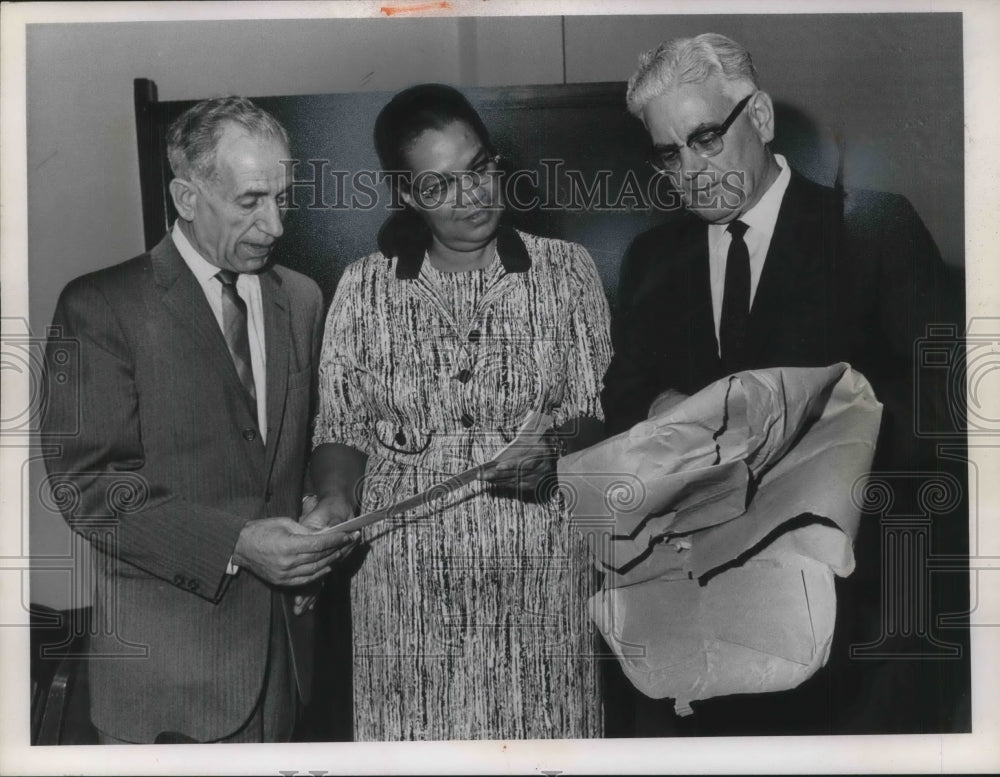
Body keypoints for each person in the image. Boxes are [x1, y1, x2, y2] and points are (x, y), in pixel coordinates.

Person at [601, 34, 965, 735]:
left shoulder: (871, 227)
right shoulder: (651, 259)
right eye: (669, 153)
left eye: (706, 137)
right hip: (706, 626)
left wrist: (808, 437)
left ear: (760, 117)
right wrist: (663, 410)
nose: (691, 170)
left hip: (857, 630)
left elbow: (948, 414)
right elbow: (624, 396)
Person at [41, 96, 357, 744]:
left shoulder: (300, 298)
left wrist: (319, 516)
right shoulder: (100, 306)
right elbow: (89, 486)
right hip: (169, 688)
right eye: (250, 201)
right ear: (186, 197)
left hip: (286, 668)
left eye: (283, 198)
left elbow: (281, 455)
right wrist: (237, 543)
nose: (274, 224)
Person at [304, 83, 613, 740]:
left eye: (479, 168)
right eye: (441, 186)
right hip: (405, 585)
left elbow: (598, 417)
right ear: (409, 196)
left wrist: (554, 450)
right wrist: (334, 499)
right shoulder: (362, 286)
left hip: (543, 574)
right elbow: (338, 426)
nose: (472, 196)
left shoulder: (566, 271)